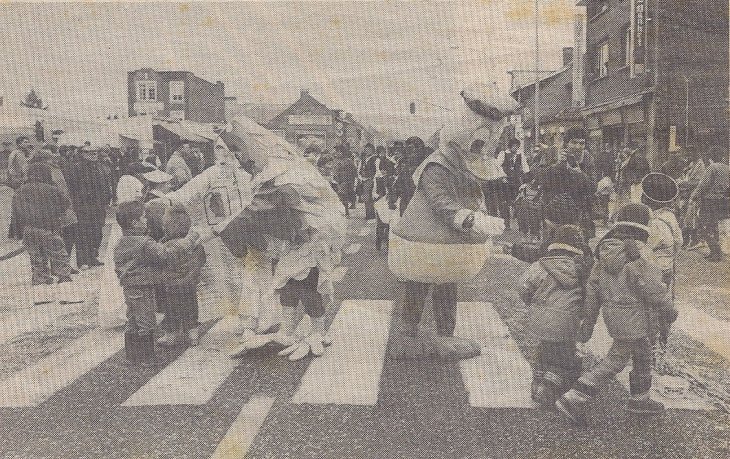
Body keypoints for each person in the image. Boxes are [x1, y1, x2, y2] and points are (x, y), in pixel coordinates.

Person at [388, 85, 513, 360]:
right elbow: (441, 202)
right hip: (425, 240)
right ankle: (407, 336)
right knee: (418, 285)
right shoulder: (437, 165)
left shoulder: (463, 163)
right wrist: (472, 220)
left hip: (449, 242)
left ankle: (445, 335)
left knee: (447, 285)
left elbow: (475, 188)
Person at [557, 203, 678, 425]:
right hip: (638, 318)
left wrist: (588, 324)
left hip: (617, 317)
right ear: (642, 227)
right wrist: (669, 310)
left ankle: (640, 399)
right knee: (617, 358)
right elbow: (653, 288)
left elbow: (592, 291)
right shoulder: (640, 255)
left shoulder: (603, 255)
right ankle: (575, 396)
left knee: (642, 354)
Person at [114, 201, 200, 365]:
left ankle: (132, 356)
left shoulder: (122, 241)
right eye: (143, 218)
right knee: (146, 320)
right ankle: (147, 357)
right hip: (143, 286)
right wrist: (188, 241)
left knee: (132, 319)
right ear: (134, 222)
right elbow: (165, 255)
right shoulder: (144, 242)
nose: (146, 220)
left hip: (129, 287)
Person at [518, 224, 588, 407]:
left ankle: (538, 379)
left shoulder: (540, 265)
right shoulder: (580, 269)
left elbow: (524, 287)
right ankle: (549, 386)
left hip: (539, 318)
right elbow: (589, 295)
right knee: (564, 357)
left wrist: (532, 303)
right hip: (568, 321)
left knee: (544, 347)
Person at [97, 162, 171, 329]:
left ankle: (134, 348)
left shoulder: (127, 185)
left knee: (133, 315)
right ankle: (145, 351)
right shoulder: (137, 189)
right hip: (142, 277)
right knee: (145, 318)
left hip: (128, 276)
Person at [13, 162, 73, 301]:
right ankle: (67, 294)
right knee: (60, 259)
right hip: (49, 227)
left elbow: (15, 214)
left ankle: (41, 296)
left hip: (29, 230)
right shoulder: (52, 189)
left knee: (37, 260)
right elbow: (66, 204)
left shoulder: (19, 191)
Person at [156, 204, 206, 346]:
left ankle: (170, 336)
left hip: (170, 286)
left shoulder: (165, 245)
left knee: (170, 311)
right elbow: (202, 260)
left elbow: (159, 262)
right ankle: (193, 335)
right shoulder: (194, 244)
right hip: (189, 284)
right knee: (191, 307)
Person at [29, 149, 79, 270]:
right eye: (51, 157)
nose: (54, 158)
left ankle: (63, 264)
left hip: (64, 205)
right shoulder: (43, 170)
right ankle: (59, 266)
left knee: (67, 235)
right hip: (56, 208)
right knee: (58, 238)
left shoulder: (55, 168)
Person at [65, 146, 113, 269]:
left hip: (98, 206)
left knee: (97, 233)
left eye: (95, 152)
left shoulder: (99, 167)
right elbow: (72, 188)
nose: (93, 155)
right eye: (89, 152)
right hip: (83, 207)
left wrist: (107, 198)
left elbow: (106, 184)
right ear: (82, 154)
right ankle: (83, 261)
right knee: (83, 233)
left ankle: (93, 256)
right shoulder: (76, 168)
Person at [689, 146, 729, 261]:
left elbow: (703, 185)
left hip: (710, 201)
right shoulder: (728, 168)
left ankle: (716, 252)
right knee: (716, 227)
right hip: (724, 202)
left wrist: (693, 196)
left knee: (704, 226)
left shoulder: (712, 167)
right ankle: (716, 252)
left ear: (711, 157)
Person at [642, 173, 682, 287]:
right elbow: (678, 241)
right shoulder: (670, 216)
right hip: (668, 266)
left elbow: (647, 248)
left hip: (655, 269)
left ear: (648, 200)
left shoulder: (654, 222)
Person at [495, 138, 529, 229]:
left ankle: (521, 225)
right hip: (505, 182)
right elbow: (497, 166)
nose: (516, 148)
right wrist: (502, 176)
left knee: (518, 203)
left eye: (517, 147)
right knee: (504, 203)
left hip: (516, 182)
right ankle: (506, 224)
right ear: (510, 146)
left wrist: (526, 178)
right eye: (514, 146)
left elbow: (525, 167)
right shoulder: (503, 154)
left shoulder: (520, 155)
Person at [7, 136, 34, 239]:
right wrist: (16, 180)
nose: (27, 144)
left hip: (22, 182)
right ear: (19, 143)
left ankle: (16, 232)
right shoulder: (16, 153)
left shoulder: (22, 153)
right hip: (19, 183)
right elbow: (12, 168)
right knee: (20, 207)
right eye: (25, 142)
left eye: (28, 142)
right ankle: (17, 233)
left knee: (22, 206)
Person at [331, 145, 358, 217]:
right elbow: (334, 171)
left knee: (344, 197)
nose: (337, 153)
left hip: (345, 181)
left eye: (338, 151)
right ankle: (345, 211)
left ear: (342, 152)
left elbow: (354, 171)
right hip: (339, 182)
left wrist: (353, 180)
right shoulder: (336, 160)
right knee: (342, 197)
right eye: (336, 151)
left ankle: (346, 212)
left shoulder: (348, 161)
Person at [359, 143, 377, 220]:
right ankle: (368, 214)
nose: (367, 151)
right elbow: (360, 170)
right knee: (366, 198)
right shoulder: (363, 160)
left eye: (369, 149)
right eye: (366, 149)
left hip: (371, 179)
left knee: (370, 198)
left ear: (372, 150)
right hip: (364, 180)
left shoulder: (375, 159)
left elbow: (376, 170)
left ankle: (371, 214)